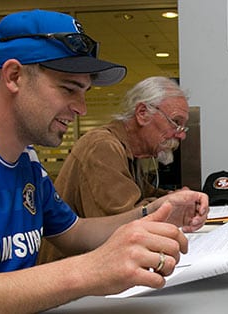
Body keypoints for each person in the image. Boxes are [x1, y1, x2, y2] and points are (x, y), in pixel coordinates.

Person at [0, 10, 208, 313]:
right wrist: (88, 272)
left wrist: (154, 211)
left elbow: (74, 233)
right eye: (68, 89)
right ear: (14, 76)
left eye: (85, 92)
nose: (82, 109)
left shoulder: (26, 159)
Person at [38, 76, 191, 264]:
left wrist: (176, 198)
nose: (181, 134)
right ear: (142, 113)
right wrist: (171, 204)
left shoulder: (130, 152)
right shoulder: (103, 147)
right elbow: (123, 221)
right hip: (69, 275)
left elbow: (143, 196)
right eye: (175, 122)